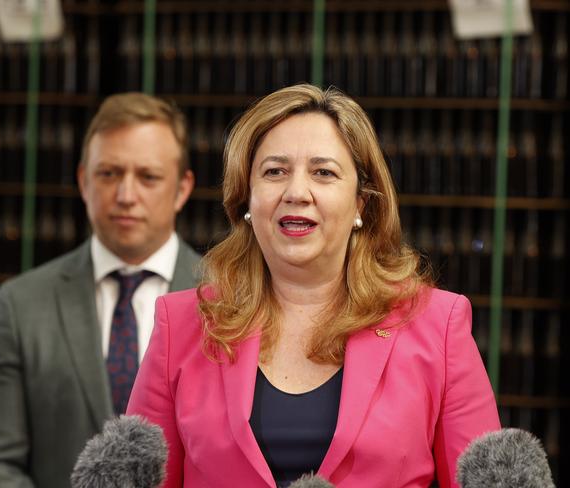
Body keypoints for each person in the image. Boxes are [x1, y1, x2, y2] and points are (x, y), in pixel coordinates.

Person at [126, 84, 500, 488]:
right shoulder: (180, 325)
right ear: (247, 199)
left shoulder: (438, 326)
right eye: (274, 172)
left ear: (361, 202)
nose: (296, 192)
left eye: (323, 173)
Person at [0, 93, 201, 488]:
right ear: (83, 181)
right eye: (108, 173)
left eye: (148, 177)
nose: (126, 195)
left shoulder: (231, 299)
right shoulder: (21, 305)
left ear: (182, 189)